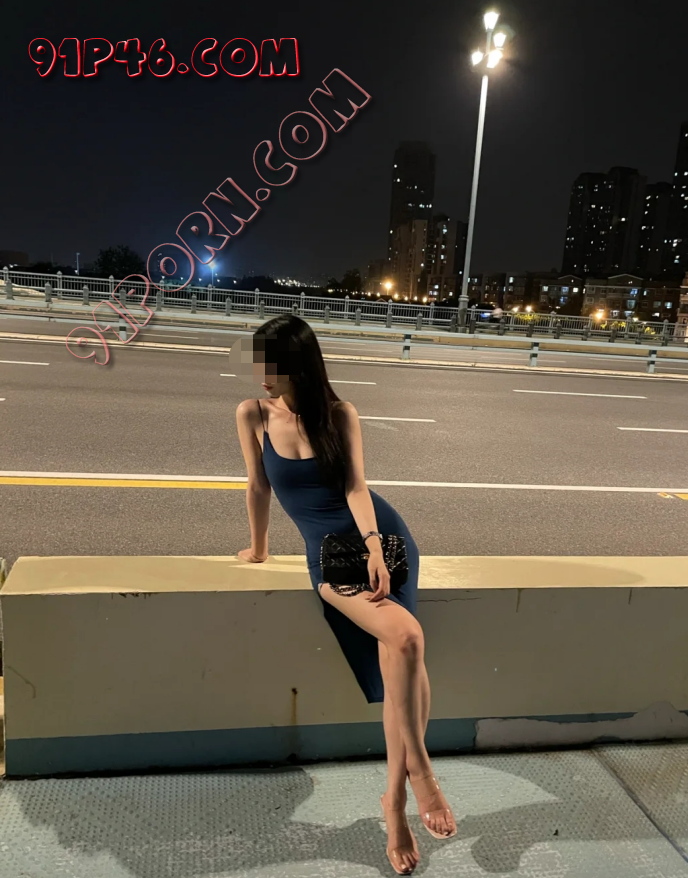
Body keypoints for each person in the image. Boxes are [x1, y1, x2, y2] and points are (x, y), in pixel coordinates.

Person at [235, 314, 456, 875]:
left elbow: (357, 487)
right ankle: (420, 775)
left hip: (382, 537)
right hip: (328, 557)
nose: (261, 372)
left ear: (300, 366)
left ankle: (396, 803)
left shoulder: (340, 414)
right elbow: (258, 487)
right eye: (259, 360)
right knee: (407, 639)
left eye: (272, 363)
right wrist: (258, 550)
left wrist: (376, 545)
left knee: (399, 653)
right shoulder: (253, 413)